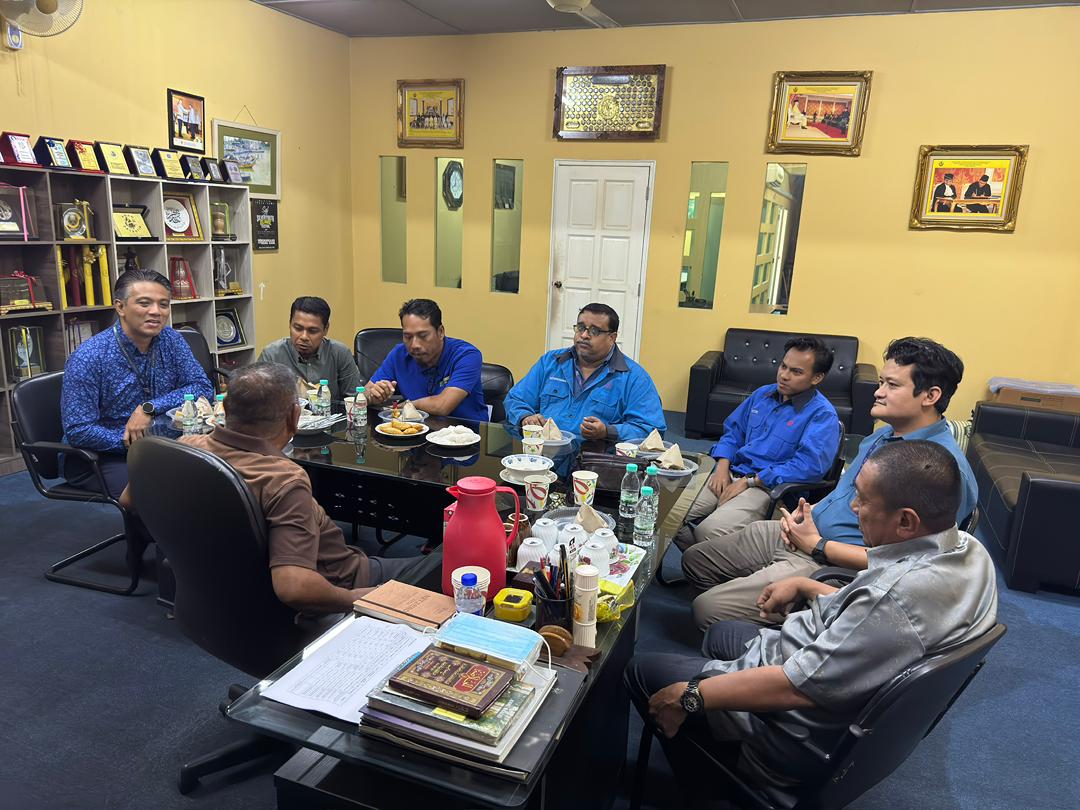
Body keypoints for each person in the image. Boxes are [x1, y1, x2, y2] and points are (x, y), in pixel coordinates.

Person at [625, 439, 998, 796]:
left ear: (905, 521)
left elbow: (793, 687)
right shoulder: (968, 551)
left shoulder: (892, 599)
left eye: (863, 499)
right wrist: (806, 585)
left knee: (642, 670)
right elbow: (876, 620)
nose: (853, 506)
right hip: (819, 666)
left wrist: (692, 695)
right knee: (720, 633)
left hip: (791, 728)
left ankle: (717, 788)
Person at [681, 336, 977, 631]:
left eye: (892, 385)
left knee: (705, 609)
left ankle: (780, 631)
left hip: (830, 563)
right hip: (805, 535)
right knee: (695, 560)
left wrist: (820, 547)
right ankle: (751, 606)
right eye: (881, 382)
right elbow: (841, 494)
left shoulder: (942, 471)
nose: (878, 392)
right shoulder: (882, 437)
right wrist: (806, 514)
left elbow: (912, 567)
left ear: (930, 396)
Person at [145, 362, 436, 614]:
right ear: (294, 417)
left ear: (227, 409)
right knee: (446, 565)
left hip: (219, 605)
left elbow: (130, 500)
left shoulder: (186, 447)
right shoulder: (283, 480)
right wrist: (357, 599)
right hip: (346, 582)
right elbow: (294, 587)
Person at [675, 337, 840, 553]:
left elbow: (808, 467)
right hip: (731, 472)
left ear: (817, 377)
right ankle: (703, 561)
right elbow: (733, 432)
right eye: (783, 366)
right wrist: (722, 467)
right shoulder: (763, 394)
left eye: (796, 372)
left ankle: (705, 562)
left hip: (768, 489)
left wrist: (751, 481)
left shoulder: (822, 415)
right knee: (666, 513)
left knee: (708, 531)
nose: (784, 375)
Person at [61, 269, 212, 498]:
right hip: (103, 454)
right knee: (161, 493)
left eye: (163, 304)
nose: (156, 312)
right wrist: (137, 444)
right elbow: (79, 430)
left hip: (164, 441)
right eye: (144, 303)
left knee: (218, 473)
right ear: (120, 307)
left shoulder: (171, 340)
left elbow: (202, 387)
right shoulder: (89, 357)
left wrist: (149, 408)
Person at [503, 303, 666, 441]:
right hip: (543, 455)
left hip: (595, 459)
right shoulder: (550, 362)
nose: (584, 335)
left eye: (594, 331)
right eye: (580, 328)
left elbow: (651, 430)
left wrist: (607, 431)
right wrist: (525, 417)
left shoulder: (634, 377)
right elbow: (516, 399)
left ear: (612, 337)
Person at [363, 299, 488, 421]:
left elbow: (442, 406)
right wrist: (371, 396)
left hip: (466, 432)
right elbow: (364, 393)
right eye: (408, 336)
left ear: (440, 332)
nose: (414, 345)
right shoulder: (399, 355)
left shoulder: (466, 355)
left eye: (423, 336)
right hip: (416, 430)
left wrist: (408, 405)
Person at [258, 296, 362, 402]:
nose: (304, 337)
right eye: (298, 328)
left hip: (331, 412)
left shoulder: (340, 353)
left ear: (326, 329)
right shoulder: (272, 355)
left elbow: (354, 400)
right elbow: (259, 402)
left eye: (312, 331)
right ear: (289, 324)